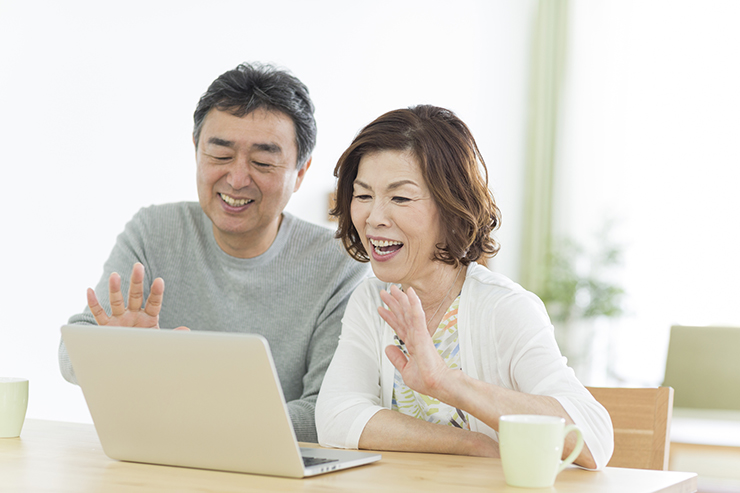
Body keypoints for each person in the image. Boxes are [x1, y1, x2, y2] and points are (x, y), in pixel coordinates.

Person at [58, 63, 369, 442]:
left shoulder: (338, 264)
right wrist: (115, 353)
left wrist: (200, 419)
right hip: (160, 459)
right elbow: (72, 353)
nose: (237, 179)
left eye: (263, 162)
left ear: (301, 172)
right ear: (196, 151)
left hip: (272, 468)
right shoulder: (154, 231)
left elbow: (327, 409)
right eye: (220, 155)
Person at [315, 105, 614, 469]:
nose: (374, 217)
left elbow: (594, 440)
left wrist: (446, 382)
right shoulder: (373, 299)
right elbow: (336, 418)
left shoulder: (504, 307)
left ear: (451, 205)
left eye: (400, 197)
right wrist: (470, 444)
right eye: (363, 196)